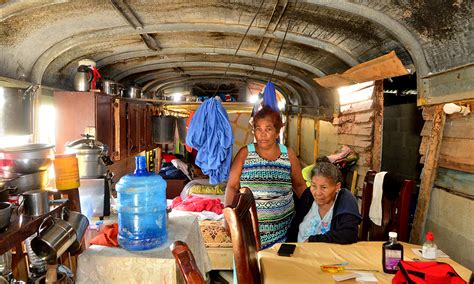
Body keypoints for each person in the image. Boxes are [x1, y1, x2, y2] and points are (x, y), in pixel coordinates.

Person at [225, 105, 307, 249]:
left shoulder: (288, 154)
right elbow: (232, 186)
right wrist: (228, 219)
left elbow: (299, 185)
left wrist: (313, 212)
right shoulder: (245, 154)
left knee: (280, 269)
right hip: (250, 230)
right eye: (258, 129)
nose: (262, 134)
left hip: (284, 230)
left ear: (277, 132)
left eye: (268, 129)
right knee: (250, 269)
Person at [286, 162, 361, 244]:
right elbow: (295, 225)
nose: (317, 193)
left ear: (337, 186)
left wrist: (312, 241)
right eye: (314, 186)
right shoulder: (308, 195)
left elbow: (349, 234)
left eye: (324, 187)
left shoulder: (345, 199)